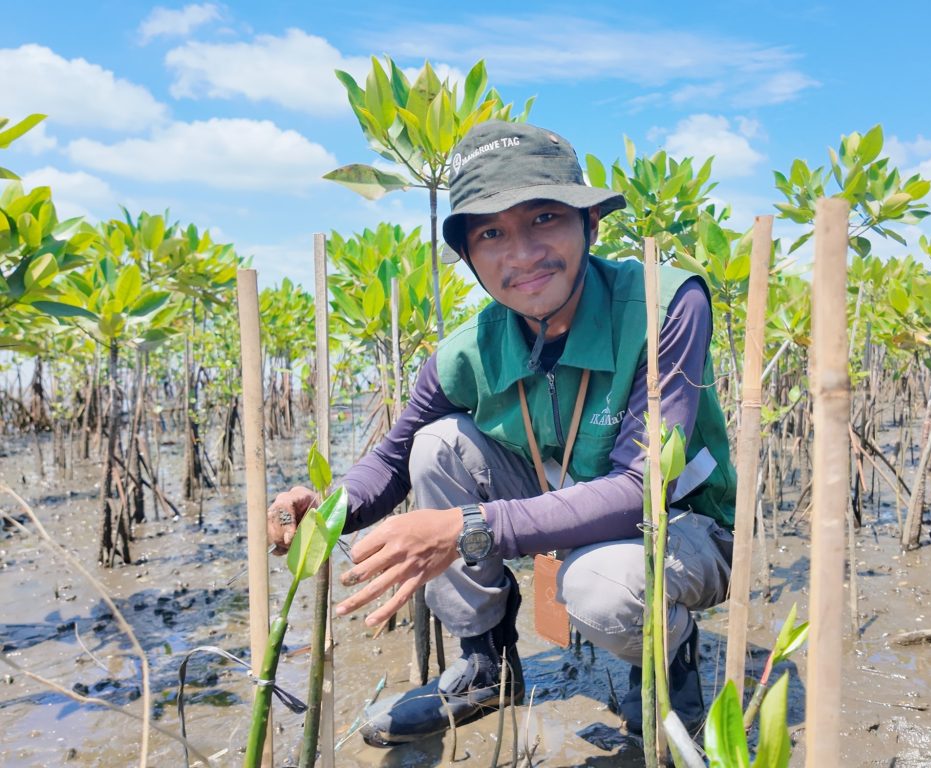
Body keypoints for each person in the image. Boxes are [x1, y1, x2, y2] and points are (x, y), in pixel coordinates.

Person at [267, 120, 736, 747]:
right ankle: (486, 664)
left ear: (591, 225)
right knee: (438, 444)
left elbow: (638, 489)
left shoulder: (665, 303)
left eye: (544, 218)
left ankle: (663, 663)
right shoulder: (468, 350)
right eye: (491, 232)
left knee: (603, 587)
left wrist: (469, 527)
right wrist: (328, 509)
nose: (521, 254)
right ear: (469, 256)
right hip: (558, 503)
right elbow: (395, 456)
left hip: (676, 521)